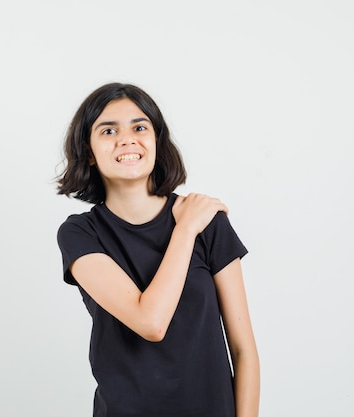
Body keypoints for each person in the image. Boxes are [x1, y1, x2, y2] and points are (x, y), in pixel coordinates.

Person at [55, 82, 260, 417]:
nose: (126, 138)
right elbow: (150, 322)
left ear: (156, 141)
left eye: (140, 127)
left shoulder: (209, 222)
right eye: (108, 130)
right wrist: (185, 229)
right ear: (89, 152)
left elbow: (243, 351)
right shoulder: (80, 233)